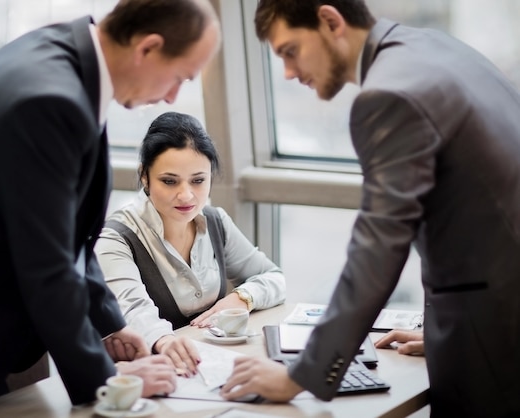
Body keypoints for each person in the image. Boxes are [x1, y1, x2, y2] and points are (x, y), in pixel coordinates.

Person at [0, 1, 221, 416]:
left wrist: (112, 324)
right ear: (148, 48)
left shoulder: (70, 60)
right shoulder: (49, 100)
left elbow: (71, 234)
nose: (172, 96)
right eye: (179, 77)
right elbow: (46, 262)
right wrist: (110, 380)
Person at [220, 1, 520, 416]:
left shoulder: (389, 94)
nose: (288, 73)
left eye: (290, 51)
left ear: (330, 21)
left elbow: (377, 250)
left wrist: (300, 375)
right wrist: (440, 334)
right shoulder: (436, 49)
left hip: (498, 336)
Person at [96, 111, 286, 375]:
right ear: (144, 177)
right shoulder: (116, 237)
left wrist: (242, 298)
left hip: (211, 367)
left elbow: (273, 277)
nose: (186, 195)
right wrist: (164, 341)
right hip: (152, 374)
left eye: (198, 180)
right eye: (169, 181)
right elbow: (132, 310)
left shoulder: (215, 221)